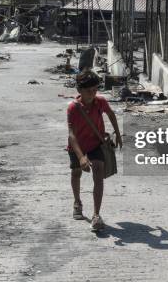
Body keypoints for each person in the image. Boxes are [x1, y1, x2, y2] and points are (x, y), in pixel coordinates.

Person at [67, 71, 122, 231]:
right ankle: (77, 202)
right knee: (76, 172)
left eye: (95, 90)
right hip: (77, 146)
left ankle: (96, 215)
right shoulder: (73, 108)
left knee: (98, 173)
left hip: (96, 144)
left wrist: (117, 134)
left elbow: (111, 115)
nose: (92, 94)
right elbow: (71, 135)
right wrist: (81, 157)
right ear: (79, 90)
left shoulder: (101, 102)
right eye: (88, 91)